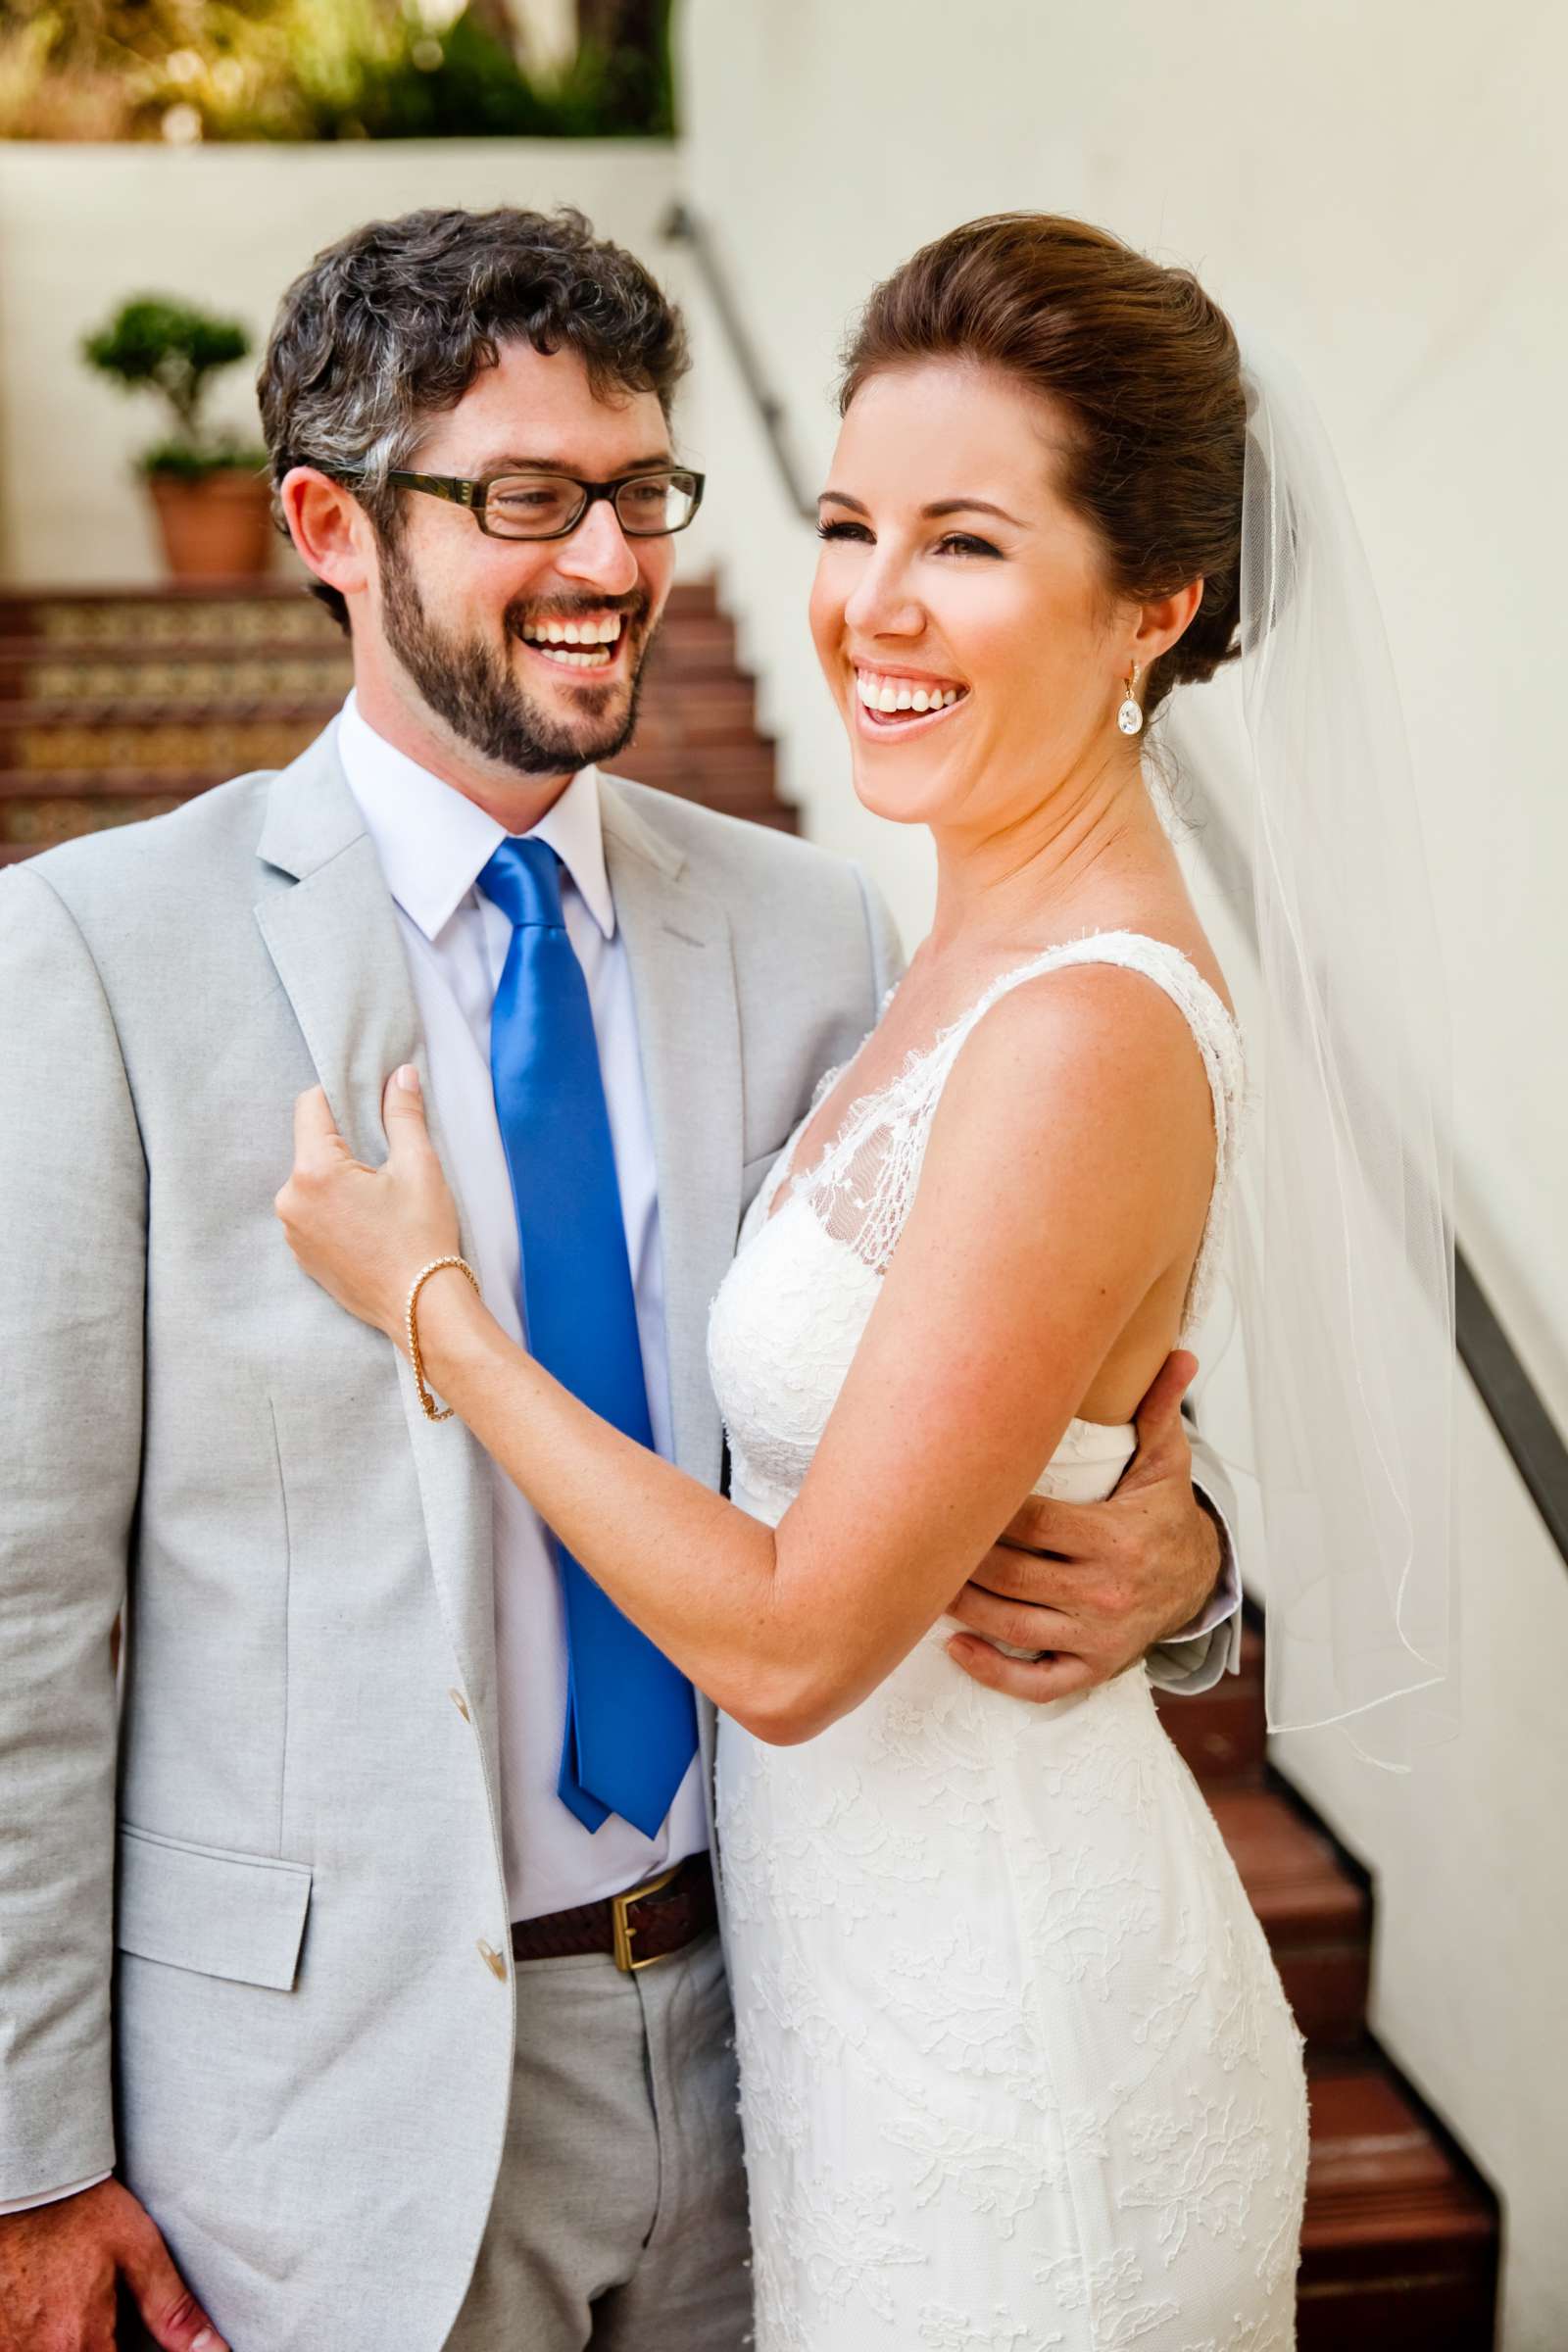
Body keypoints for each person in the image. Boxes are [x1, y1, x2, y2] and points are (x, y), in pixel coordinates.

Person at [0, 208, 1240, 2352]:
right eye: (522, 498)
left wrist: (1186, 1557)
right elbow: (23, 1595)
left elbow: (996, 1377)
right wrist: (28, 2158)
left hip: (789, 2040)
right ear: (324, 521)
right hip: (329, 2112)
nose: (606, 562)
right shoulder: (102, 957)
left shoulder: (813, 926)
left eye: (641, 492)